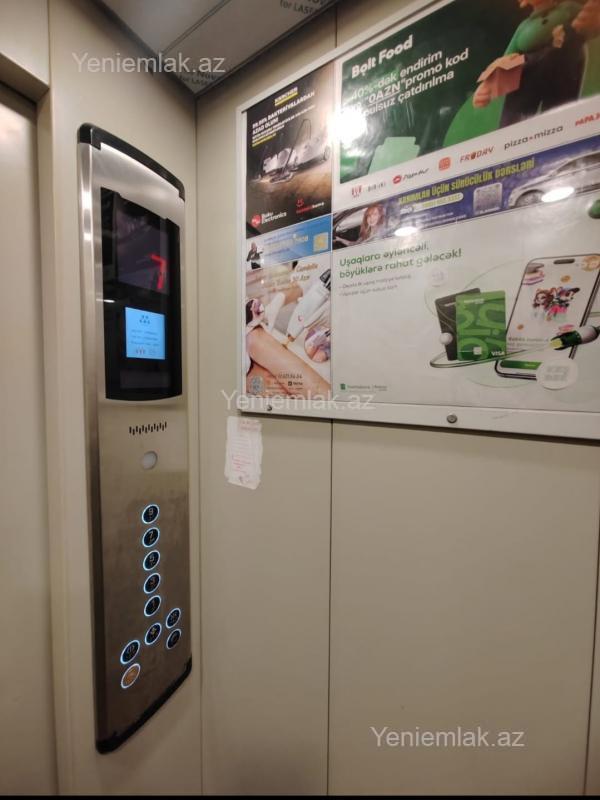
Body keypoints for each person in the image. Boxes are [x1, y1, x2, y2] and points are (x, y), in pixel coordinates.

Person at [473, 0, 600, 128]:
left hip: (565, 65)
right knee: (515, 121)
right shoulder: (524, 26)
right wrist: (487, 84)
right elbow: (507, 58)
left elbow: (591, 23)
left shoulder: (569, 8)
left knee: (560, 117)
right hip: (527, 72)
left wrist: (592, 19)